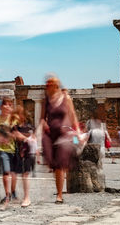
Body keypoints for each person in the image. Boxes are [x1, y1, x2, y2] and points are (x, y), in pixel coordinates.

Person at [40, 75, 80, 204]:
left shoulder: (66, 98)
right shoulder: (45, 100)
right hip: (50, 133)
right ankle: (60, 186)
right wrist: (43, 124)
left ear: (56, 85)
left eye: (49, 84)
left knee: (59, 165)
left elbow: (73, 115)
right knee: (54, 164)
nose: (47, 86)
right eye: (46, 84)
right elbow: (42, 118)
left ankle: (59, 195)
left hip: (64, 134)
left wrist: (77, 131)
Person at [0, 98, 19, 210]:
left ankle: (13, 191)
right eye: (6, 105)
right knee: (6, 172)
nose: (8, 107)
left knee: (13, 173)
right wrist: (0, 137)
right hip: (2, 149)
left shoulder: (14, 119)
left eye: (10, 105)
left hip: (14, 149)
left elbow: (17, 132)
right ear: (1, 106)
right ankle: (7, 194)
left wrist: (10, 135)